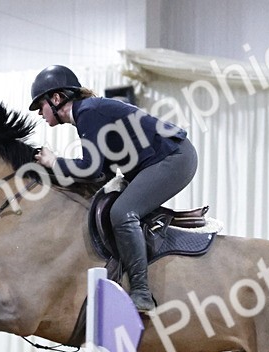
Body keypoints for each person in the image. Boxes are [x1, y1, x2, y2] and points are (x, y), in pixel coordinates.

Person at [29, 65, 197, 313]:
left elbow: (91, 167)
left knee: (122, 212)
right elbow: (101, 173)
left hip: (174, 157)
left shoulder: (88, 112)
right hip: (164, 158)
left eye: (40, 106)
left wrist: (55, 162)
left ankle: (141, 292)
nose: (40, 113)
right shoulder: (88, 113)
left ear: (56, 98)